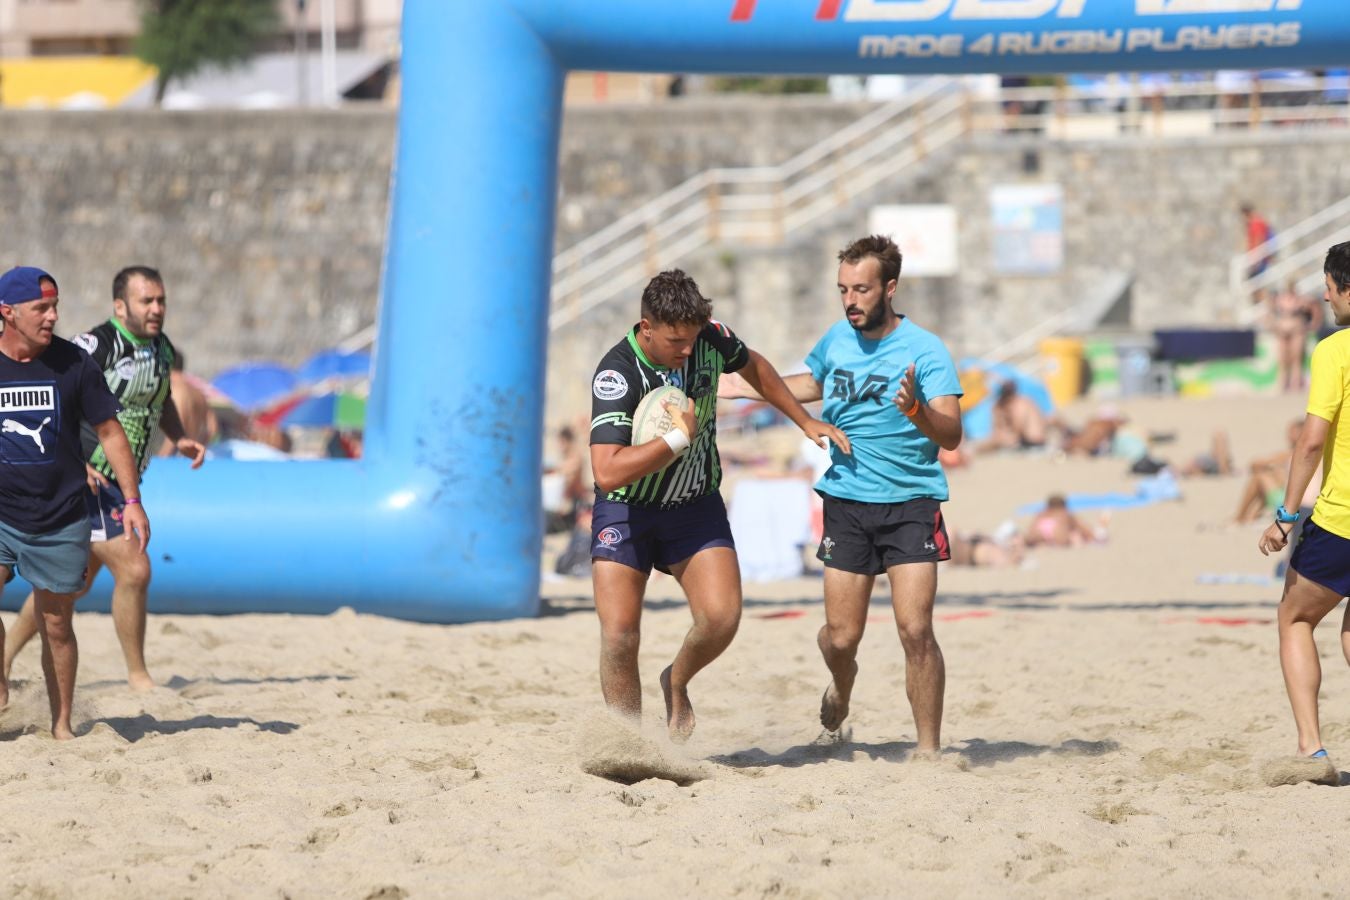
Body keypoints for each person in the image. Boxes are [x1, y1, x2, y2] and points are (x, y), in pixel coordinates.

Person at [722, 234, 962, 757]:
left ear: (890, 289)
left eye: (861, 289)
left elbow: (952, 434)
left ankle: (928, 750)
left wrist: (918, 412)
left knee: (915, 628)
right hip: (847, 503)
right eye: (843, 290)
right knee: (840, 637)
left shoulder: (925, 350)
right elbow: (806, 384)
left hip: (911, 503)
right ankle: (842, 685)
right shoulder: (836, 339)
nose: (851, 300)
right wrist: (732, 386)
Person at [588, 268, 848, 742]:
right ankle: (629, 744)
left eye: (691, 338)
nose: (687, 349)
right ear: (646, 328)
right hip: (627, 510)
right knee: (621, 635)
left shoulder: (710, 338)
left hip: (693, 504)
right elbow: (606, 471)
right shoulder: (617, 373)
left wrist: (803, 420)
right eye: (674, 341)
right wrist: (675, 439)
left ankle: (677, 680)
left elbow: (757, 368)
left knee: (721, 619)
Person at [3, 266, 202, 693]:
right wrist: (74, 459)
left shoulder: (161, 348)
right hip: (91, 479)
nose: (156, 309)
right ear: (119, 305)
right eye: (146, 301)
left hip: (122, 478)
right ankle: (138, 675)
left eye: (161, 300)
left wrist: (180, 436)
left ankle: (5, 658)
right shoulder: (96, 346)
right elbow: (57, 394)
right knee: (135, 568)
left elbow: (160, 398)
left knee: (64, 591)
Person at [0, 266, 149, 738]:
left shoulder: (74, 364)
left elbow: (110, 432)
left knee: (56, 624)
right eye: (41, 308)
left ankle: (62, 724)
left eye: (55, 306)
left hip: (60, 516)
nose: (52, 316)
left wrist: (132, 500)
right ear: (7, 312)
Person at [1258, 241, 1350, 767]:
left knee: (1295, 618)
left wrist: (1286, 516)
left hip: (1342, 523)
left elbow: (1311, 442)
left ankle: (1310, 747)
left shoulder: (1335, 350)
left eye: (1331, 285)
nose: (1325, 294)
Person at [1268, 279, 1318, 393]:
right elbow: (1271, 311)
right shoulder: (1280, 299)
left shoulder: (1300, 299)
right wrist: (1273, 325)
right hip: (1282, 331)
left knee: (1296, 357)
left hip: (1297, 330)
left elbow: (1314, 308)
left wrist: (1313, 323)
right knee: (1282, 358)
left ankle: (1295, 384)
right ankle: (1282, 383)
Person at [979, 380, 1048, 452]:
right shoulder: (1002, 405)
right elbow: (996, 428)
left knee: (997, 440)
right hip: (1025, 441)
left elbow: (1017, 430)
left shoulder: (1020, 404)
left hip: (1032, 442)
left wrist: (1002, 439)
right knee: (995, 439)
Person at [1023, 494, 1104, 548]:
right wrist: (1093, 537)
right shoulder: (1065, 513)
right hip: (1058, 538)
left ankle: (1044, 542)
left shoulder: (1041, 513)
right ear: (1064, 505)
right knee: (1075, 535)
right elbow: (1083, 528)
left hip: (1036, 536)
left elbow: (1030, 530)